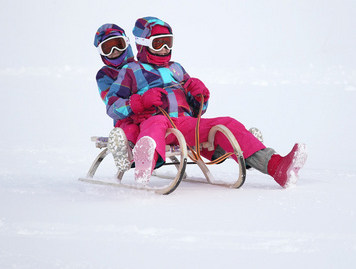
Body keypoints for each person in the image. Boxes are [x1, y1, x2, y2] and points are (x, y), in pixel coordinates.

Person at [106, 17, 307, 188]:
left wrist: (200, 96)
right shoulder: (131, 70)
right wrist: (140, 101)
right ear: (143, 43)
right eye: (159, 43)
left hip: (186, 125)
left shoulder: (177, 69)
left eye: (168, 42)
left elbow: (196, 111)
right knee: (155, 124)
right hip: (156, 123)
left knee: (226, 124)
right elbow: (112, 106)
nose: (166, 48)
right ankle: (144, 165)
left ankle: (278, 167)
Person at [93, 23, 140, 172]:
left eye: (118, 45)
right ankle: (125, 153)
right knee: (130, 129)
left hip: (148, 114)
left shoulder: (140, 67)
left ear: (126, 43)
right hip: (125, 118)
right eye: (108, 48)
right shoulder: (105, 75)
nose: (114, 51)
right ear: (102, 52)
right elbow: (110, 100)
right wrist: (136, 101)